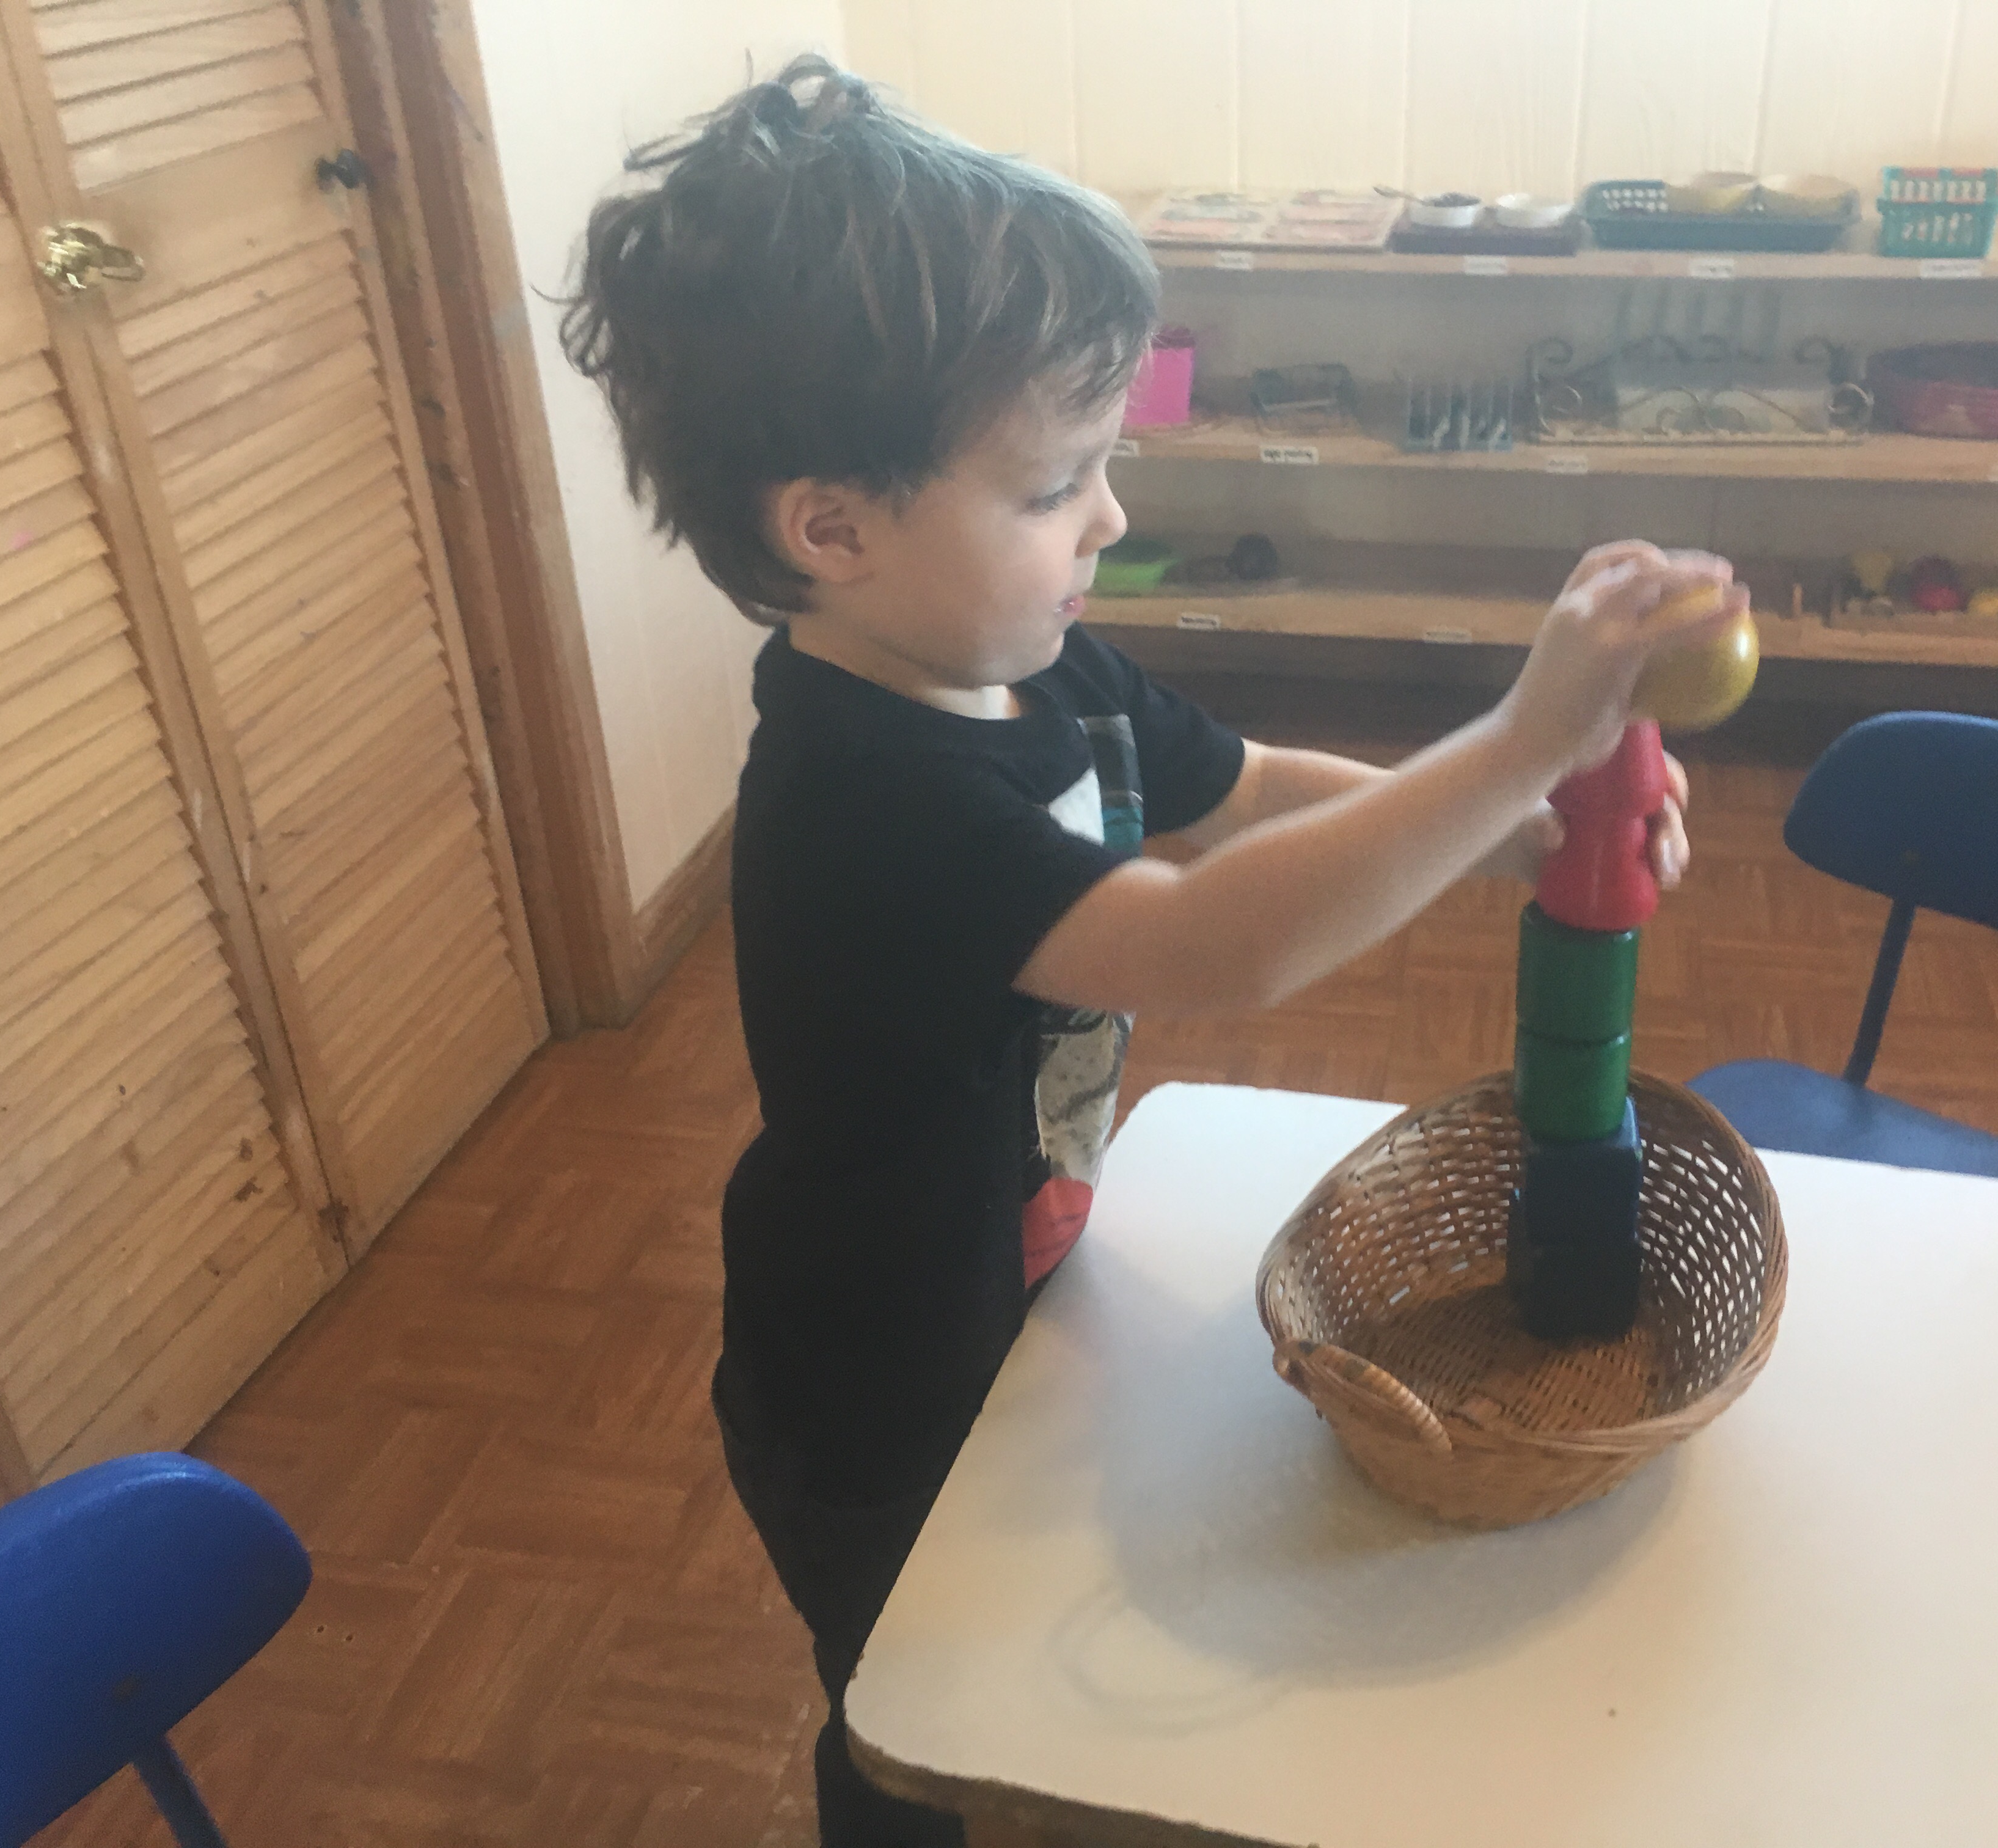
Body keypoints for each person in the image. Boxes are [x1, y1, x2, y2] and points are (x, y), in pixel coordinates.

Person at [559, 54, 1739, 1847]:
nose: (1109, 516)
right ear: (833, 529)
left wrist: (1511, 831)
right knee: (916, 1705)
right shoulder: (864, 798)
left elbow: (1241, 790)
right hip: (877, 1380)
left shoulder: (1029, 668)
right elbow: (1206, 945)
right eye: (1057, 484)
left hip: (1017, 1283)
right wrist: (1515, 745)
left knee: (1014, 1660)